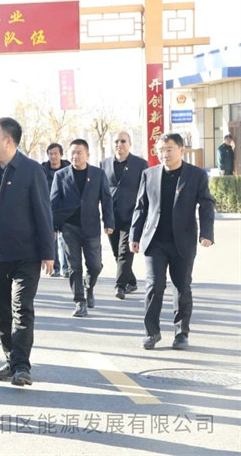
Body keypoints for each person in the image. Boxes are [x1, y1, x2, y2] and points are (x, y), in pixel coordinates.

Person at [0, 117, 54, 387]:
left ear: (8, 141)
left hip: (26, 255)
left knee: (22, 308)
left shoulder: (31, 170)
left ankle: (22, 366)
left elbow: (43, 211)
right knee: (1, 313)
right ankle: (11, 359)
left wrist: (48, 252)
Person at [131, 133, 215, 350]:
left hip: (182, 241)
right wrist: (134, 235)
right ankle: (152, 332)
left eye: (169, 149)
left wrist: (206, 233)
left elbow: (206, 204)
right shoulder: (149, 174)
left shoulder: (195, 175)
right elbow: (141, 207)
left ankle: (181, 333)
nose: (164, 154)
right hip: (155, 242)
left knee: (182, 287)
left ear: (181, 150)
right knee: (154, 286)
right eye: (160, 150)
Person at [50, 139, 114, 317]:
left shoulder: (98, 174)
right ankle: (79, 301)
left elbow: (106, 199)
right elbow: (53, 203)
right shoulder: (61, 175)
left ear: (87, 154)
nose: (75, 156)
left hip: (91, 226)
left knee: (95, 265)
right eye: (72, 152)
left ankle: (89, 286)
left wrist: (109, 222)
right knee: (74, 266)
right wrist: (53, 226)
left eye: (79, 152)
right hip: (69, 227)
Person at [101, 131, 148, 299]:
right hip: (111, 216)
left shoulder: (140, 164)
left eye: (123, 141)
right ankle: (131, 281)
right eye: (116, 141)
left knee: (124, 252)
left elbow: (145, 190)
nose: (119, 144)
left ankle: (119, 286)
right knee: (116, 253)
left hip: (132, 216)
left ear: (130, 144)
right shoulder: (104, 164)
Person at [41, 143, 71, 278]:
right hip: (48, 209)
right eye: (50, 154)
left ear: (61, 155)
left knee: (64, 239)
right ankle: (55, 267)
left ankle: (66, 268)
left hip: (65, 209)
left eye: (55, 153)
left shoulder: (69, 168)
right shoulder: (42, 170)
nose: (53, 156)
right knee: (51, 239)